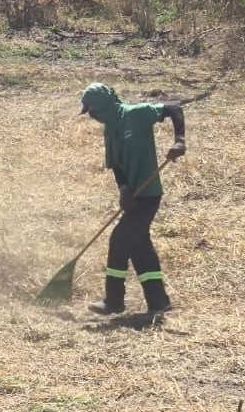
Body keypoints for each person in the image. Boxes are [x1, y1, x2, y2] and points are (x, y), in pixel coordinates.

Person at [79, 83, 186, 316]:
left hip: (149, 194)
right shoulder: (110, 130)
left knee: (119, 241)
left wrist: (180, 140)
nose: (93, 117)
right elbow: (116, 165)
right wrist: (124, 189)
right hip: (135, 197)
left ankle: (114, 301)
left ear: (104, 106)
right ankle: (159, 302)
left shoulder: (137, 113)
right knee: (139, 247)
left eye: (94, 111)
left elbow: (175, 110)